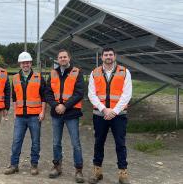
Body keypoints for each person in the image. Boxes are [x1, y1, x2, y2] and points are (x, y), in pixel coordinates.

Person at [88, 47, 132, 184]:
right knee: (98, 143)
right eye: (106, 55)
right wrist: (104, 109)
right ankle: (97, 172)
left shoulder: (124, 72)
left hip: (118, 116)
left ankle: (123, 173)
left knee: (120, 144)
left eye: (111, 54)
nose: (108, 57)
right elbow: (92, 94)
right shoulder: (94, 73)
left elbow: (127, 94)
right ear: (101, 57)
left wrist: (114, 111)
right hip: (100, 115)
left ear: (115, 56)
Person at [4, 52, 46, 176]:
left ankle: (34, 165)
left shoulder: (39, 77)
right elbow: (15, 98)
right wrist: (15, 112)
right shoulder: (16, 78)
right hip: (20, 116)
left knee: (35, 141)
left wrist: (43, 112)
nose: (25, 64)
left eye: (27, 62)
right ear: (20, 64)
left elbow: (44, 97)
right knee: (16, 141)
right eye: (23, 62)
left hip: (35, 115)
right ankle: (14, 165)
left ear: (30, 63)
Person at [46, 49, 84, 183]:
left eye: (65, 57)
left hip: (71, 113)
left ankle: (78, 170)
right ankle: (57, 166)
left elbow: (79, 93)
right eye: (60, 57)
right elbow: (48, 93)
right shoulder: (53, 73)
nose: (62, 59)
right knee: (56, 142)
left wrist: (64, 106)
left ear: (69, 58)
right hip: (56, 113)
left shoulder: (77, 72)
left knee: (75, 143)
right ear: (58, 59)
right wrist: (56, 105)